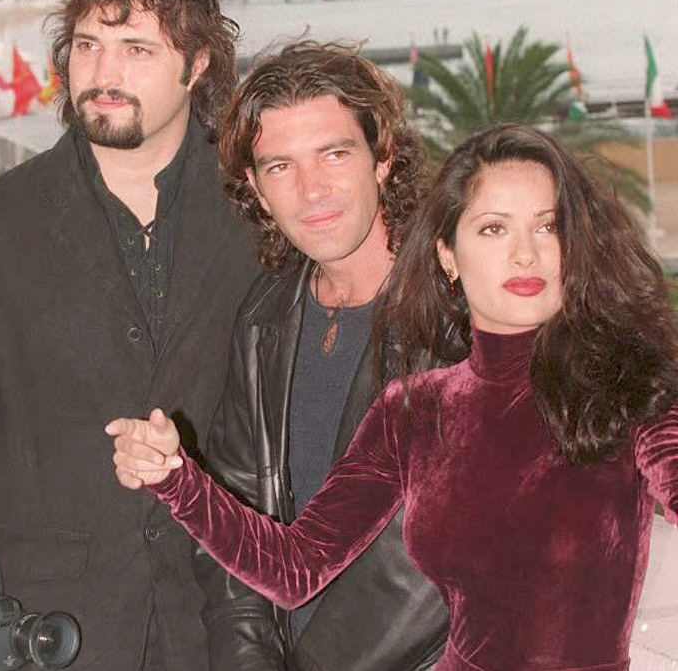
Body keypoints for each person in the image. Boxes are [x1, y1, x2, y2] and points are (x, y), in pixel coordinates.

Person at [107, 124, 678, 671]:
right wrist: (176, 479)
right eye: (493, 229)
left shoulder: (633, 388)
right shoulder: (415, 410)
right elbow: (293, 568)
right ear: (448, 255)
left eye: (548, 227)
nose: (526, 254)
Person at [0, 0, 257, 671]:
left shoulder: (258, 211)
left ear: (197, 63)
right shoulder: (2, 220)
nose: (103, 75)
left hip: (224, 623)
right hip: (47, 631)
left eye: (136, 48)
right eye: (87, 45)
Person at [191, 41, 448, 670]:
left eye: (334, 154)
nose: (312, 190)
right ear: (254, 184)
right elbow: (231, 528)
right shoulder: (265, 316)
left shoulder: (460, 317)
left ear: (382, 157)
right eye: (280, 166)